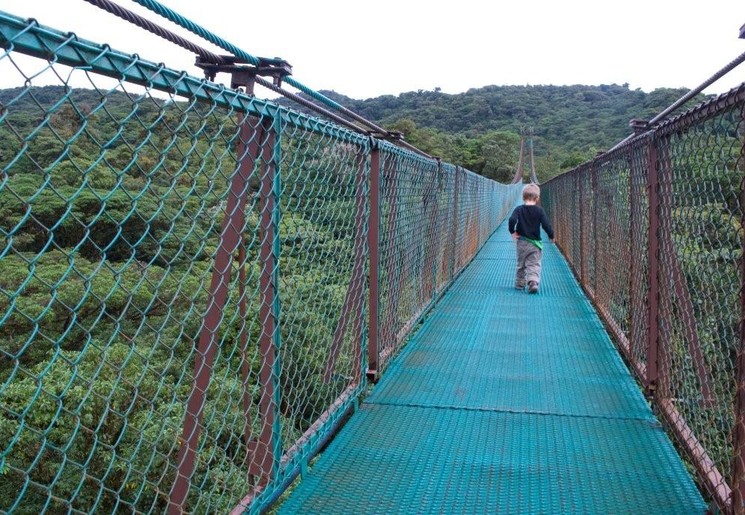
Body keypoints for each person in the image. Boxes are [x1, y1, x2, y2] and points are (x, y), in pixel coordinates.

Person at [508, 183, 554, 294]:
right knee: (534, 263)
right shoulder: (540, 210)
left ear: (523, 197)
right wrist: (551, 235)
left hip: (522, 241)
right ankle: (533, 282)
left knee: (521, 263)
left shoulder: (519, 209)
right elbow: (546, 224)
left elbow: (512, 220)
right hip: (535, 243)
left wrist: (512, 232)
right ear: (537, 198)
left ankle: (519, 284)